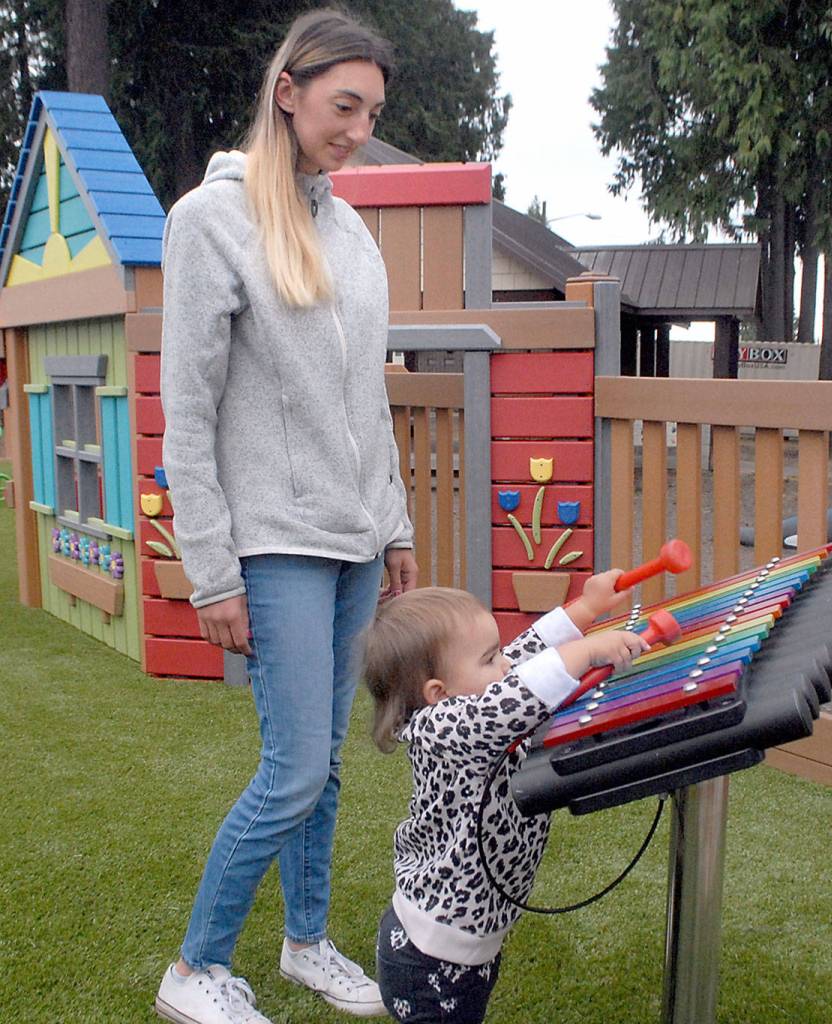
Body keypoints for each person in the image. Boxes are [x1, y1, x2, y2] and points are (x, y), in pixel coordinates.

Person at [155, 9, 417, 1024]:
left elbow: (368, 398)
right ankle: (195, 969)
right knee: (296, 765)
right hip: (273, 545)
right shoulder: (208, 220)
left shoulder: (350, 233)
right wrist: (212, 570)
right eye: (342, 105)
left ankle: (306, 942)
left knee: (329, 762)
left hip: (354, 542)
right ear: (288, 91)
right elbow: (189, 410)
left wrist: (391, 523)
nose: (355, 128)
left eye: (372, 111)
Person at [362, 572, 649, 1023]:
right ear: (438, 693)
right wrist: (589, 649)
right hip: (431, 956)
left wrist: (587, 608)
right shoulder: (443, 727)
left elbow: (526, 654)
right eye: (490, 657)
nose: (506, 663)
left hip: (468, 942)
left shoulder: (474, 691)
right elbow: (514, 697)